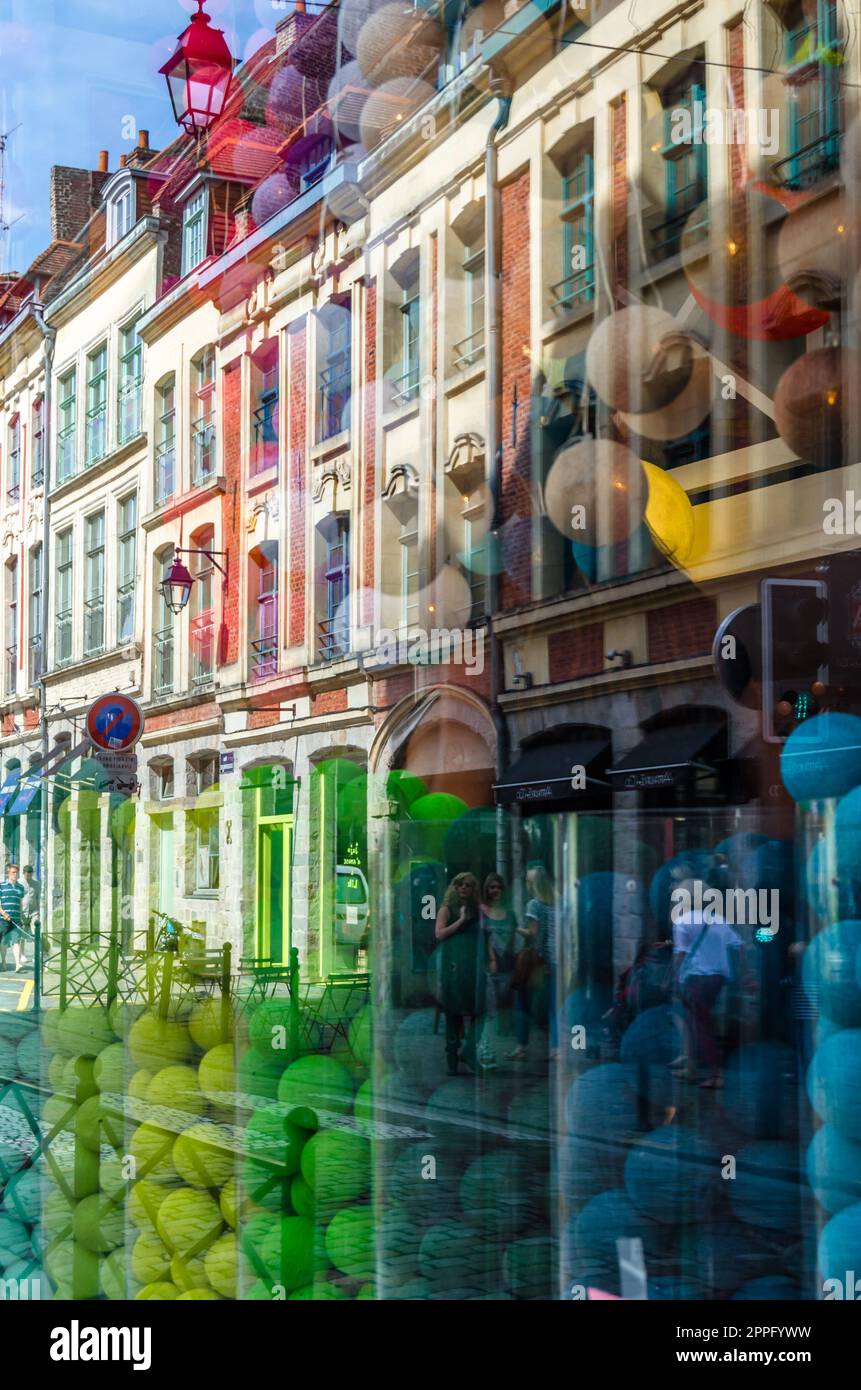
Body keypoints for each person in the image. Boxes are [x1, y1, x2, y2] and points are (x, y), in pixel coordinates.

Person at [671, 876, 743, 1088]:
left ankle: (716, 1073)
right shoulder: (718, 920)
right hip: (718, 979)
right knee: (696, 1020)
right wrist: (746, 975)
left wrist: (671, 978)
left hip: (696, 978)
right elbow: (738, 945)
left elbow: (681, 954)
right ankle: (692, 1067)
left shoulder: (683, 921)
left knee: (701, 1025)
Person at [433, 873, 485, 1076]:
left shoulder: (476, 910)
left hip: (472, 966)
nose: (464, 888)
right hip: (452, 966)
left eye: (469, 885)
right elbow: (439, 933)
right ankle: (452, 1058)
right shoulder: (447, 909)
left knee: (478, 1012)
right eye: (460, 884)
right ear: (454, 887)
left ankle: (470, 1052)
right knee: (453, 1015)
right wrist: (461, 920)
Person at [507, 864, 558, 1061]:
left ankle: (521, 1047)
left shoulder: (534, 905)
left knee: (522, 1002)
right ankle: (556, 1048)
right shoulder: (557, 902)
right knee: (555, 1006)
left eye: (529, 881)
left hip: (537, 960)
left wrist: (516, 928)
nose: (527, 885)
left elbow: (533, 934)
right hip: (555, 960)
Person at [478, 873, 519, 1069]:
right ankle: (486, 1052)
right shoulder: (482, 912)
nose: (495, 891)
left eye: (499, 887)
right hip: (489, 967)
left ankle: (490, 1048)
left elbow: (513, 940)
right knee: (490, 1011)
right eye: (492, 887)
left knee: (504, 1012)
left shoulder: (510, 914)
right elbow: (484, 939)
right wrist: (492, 958)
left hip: (508, 966)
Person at [0, 863, 28, 973]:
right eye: (13, 872)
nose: (15, 875)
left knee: (17, 941)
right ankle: (4, 962)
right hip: (3, 919)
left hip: (16, 919)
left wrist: (21, 916)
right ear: (8, 873)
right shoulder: (1, 886)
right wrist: (3, 913)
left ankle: (17, 964)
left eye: (16, 872)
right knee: (4, 942)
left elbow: (20, 903)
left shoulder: (20, 887)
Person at [21, 864, 41, 953]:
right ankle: (21, 954)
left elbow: (38, 897)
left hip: (34, 911)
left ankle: (37, 953)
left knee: (35, 932)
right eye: (26, 875)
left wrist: (39, 909)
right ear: (23, 873)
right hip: (22, 912)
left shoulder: (36, 884)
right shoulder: (19, 883)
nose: (28, 877)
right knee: (22, 934)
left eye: (30, 875)